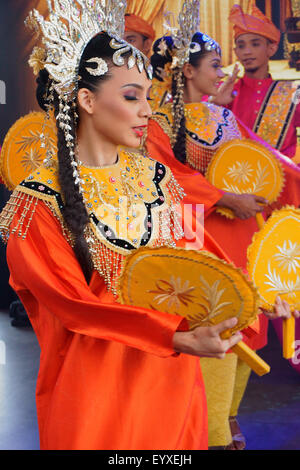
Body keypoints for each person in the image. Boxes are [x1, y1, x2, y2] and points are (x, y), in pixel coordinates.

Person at [0, 0, 245, 451]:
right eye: (132, 96)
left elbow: (194, 257)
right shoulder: (37, 203)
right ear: (87, 99)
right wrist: (172, 335)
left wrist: (249, 294)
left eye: (148, 96)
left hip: (172, 378)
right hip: (98, 393)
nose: (147, 110)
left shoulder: (158, 178)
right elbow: (73, 306)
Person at [146, 30, 300, 450]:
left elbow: (265, 157)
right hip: (199, 238)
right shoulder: (158, 122)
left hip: (241, 233)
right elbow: (166, 179)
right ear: (188, 71)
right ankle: (210, 430)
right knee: (214, 320)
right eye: (214, 65)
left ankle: (228, 414)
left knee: (249, 321)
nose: (223, 72)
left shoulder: (227, 118)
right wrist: (223, 197)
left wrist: (286, 185)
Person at [213, 4, 300, 160]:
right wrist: (215, 104)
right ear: (236, 52)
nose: (247, 51)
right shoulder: (226, 92)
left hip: (283, 177)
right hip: (236, 176)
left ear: (272, 49)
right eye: (241, 46)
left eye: (255, 44)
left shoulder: (292, 93)